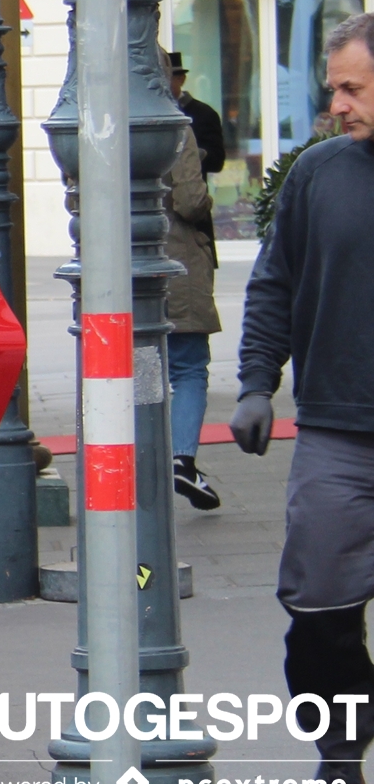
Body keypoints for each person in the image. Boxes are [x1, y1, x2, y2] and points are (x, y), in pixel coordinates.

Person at [231, 10, 374, 784]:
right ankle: (339, 743)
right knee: (319, 608)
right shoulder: (318, 174)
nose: (338, 106)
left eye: (352, 88)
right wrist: (257, 382)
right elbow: (275, 282)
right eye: (333, 90)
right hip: (338, 435)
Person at [164, 125, 221, 509]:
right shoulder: (174, 126)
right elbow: (189, 200)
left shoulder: (93, 114)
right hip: (174, 260)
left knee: (124, 371)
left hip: (112, 264)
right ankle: (181, 460)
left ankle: (131, 467)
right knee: (188, 368)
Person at [169, 49, 228, 175]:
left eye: (167, 78)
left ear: (181, 79)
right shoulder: (154, 112)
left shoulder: (204, 114)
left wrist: (190, 154)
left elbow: (216, 162)